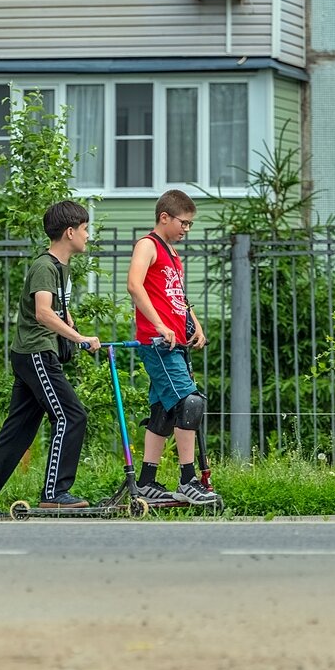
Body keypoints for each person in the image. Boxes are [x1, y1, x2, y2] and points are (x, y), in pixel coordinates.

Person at [0, 200, 101, 519]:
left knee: (19, 430)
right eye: (85, 229)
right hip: (35, 352)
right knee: (71, 415)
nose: (88, 235)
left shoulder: (60, 268)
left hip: (34, 353)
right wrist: (77, 338)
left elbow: (56, 309)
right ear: (70, 232)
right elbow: (42, 312)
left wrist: (71, 327)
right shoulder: (44, 266)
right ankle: (55, 493)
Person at [126, 189, 221, 506]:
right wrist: (160, 326)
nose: (187, 229)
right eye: (184, 222)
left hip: (176, 342)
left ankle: (147, 482)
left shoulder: (172, 254)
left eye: (190, 224)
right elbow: (134, 285)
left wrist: (194, 322)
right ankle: (188, 479)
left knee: (164, 411)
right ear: (164, 217)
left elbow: (176, 297)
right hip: (158, 344)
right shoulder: (147, 245)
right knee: (190, 403)